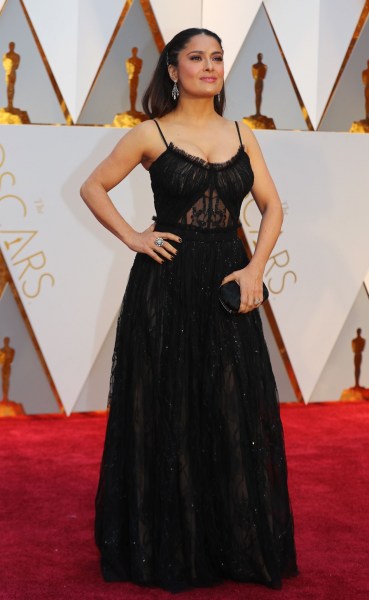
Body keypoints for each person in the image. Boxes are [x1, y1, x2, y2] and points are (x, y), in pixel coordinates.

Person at [80, 27, 298, 593]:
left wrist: (254, 269)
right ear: (172, 70)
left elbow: (272, 207)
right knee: (168, 409)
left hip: (228, 283)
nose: (210, 66)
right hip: (166, 287)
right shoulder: (148, 133)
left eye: (217, 58)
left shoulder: (242, 133)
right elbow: (93, 187)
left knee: (231, 410)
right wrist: (134, 237)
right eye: (196, 58)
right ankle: (171, 544)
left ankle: (231, 543)